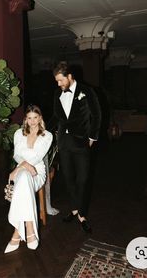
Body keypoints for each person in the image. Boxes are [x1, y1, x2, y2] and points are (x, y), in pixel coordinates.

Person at [51, 62, 101, 233]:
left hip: (81, 142)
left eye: (60, 80)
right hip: (64, 142)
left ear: (70, 76)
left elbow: (97, 115)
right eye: (56, 81)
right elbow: (56, 117)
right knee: (68, 178)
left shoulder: (86, 92)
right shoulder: (58, 93)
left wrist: (93, 136)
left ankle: (82, 214)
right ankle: (74, 209)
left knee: (83, 179)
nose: (58, 84)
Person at [4, 105, 53, 253]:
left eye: (35, 118)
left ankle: (17, 233)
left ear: (40, 118)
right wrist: (22, 166)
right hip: (22, 170)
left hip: (37, 171)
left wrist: (18, 168)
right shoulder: (19, 133)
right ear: (25, 119)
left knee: (24, 177)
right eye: (29, 118)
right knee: (24, 177)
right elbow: (17, 155)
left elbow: (36, 157)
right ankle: (30, 228)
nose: (32, 121)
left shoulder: (47, 135)